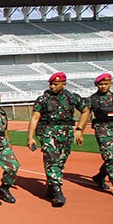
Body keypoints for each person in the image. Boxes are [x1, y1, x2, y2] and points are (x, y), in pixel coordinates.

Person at [27, 72, 90, 207]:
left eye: (56, 84)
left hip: (66, 133)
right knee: (52, 159)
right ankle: (57, 191)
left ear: (64, 84)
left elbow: (85, 111)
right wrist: (30, 137)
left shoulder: (72, 98)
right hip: (47, 132)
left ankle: (51, 185)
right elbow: (35, 118)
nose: (52, 87)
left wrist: (80, 130)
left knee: (61, 160)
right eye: (51, 84)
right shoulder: (43, 99)